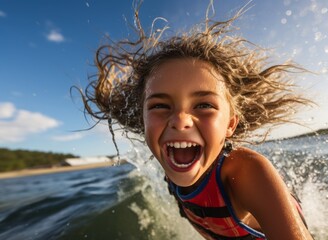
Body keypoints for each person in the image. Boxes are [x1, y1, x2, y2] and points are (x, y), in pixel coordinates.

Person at [78, 2, 314, 239]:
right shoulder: (173, 170)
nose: (180, 121)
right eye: (160, 106)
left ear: (230, 124)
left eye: (204, 105)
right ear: (143, 120)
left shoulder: (245, 171)